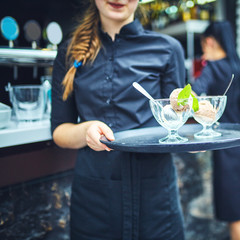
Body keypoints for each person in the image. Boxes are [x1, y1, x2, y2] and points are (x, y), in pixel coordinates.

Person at [51, 0, 186, 239]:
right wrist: (87, 129)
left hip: (155, 196)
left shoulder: (167, 48)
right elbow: (60, 131)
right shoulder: (69, 52)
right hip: (94, 197)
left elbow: (178, 117)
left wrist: (193, 128)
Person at [192, 21, 240, 240]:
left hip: (229, 151)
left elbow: (192, 96)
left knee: (235, 215)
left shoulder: (213, 67)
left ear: (209, 41)